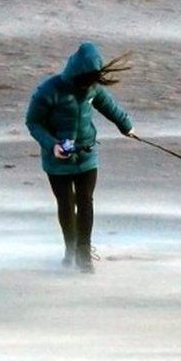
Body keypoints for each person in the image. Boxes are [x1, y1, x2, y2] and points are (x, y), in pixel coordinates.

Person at [25, 42, 136, 273]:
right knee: (66, 203)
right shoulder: (49, 90)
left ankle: (84, 254)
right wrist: (51, 145)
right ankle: (71, 250)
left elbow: (110, 108)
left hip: (86, 156)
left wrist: (126, 126)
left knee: (85, 201)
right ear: (75, 72)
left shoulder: (92, 88)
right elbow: (33, 123)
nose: (87, 85)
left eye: (92, 80)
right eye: (85, 80)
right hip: (57, 159)